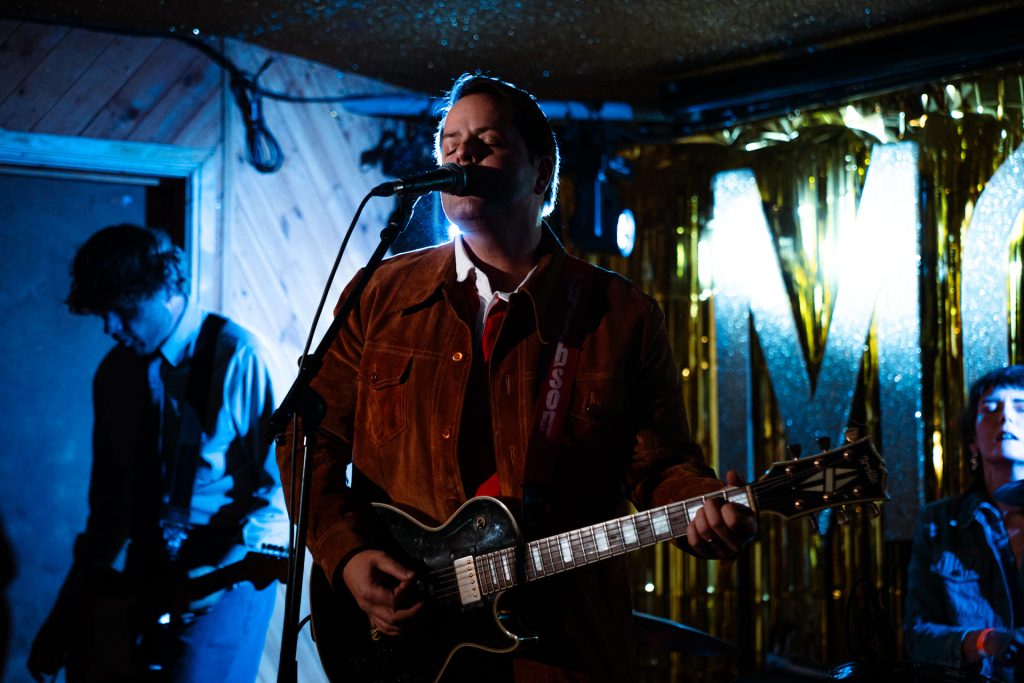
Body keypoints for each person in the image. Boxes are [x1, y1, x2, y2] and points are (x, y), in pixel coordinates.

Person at [280, 73, 756, 681]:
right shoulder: (381, 294)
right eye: (449, 141)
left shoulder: (618, 315)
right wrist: (348, 555)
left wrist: (701, 508)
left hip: (557, 651)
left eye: (486, 140)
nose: (460, 153)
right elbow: (305, 432)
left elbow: (660, 467)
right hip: (405, 643)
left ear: (539, 173)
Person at [28, 225, 288, 682]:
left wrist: (216, 573)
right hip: (145, 574)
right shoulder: (114, 373)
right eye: (103, 313)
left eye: (123, 311)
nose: (110, 327)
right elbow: (106, 510)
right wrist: (65, 617)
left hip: (224, 578)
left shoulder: (240, 356)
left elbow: (284, 490)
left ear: (166, 290)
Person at [905, 365, 1024, 682]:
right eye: (991, 408)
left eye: (1021, 408)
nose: (1006, 417)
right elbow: (917, 639)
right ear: (972, 440)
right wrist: (985, 642)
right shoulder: (939, 523)